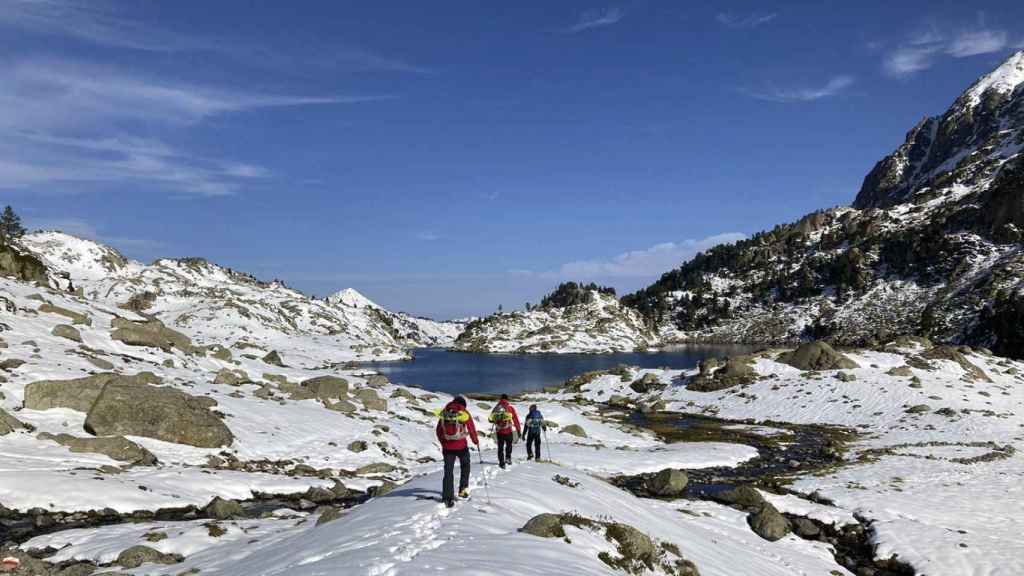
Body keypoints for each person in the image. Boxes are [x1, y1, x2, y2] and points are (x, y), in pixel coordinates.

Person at [435, 396, 479, 507]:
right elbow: (471, 428)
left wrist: (444, 443)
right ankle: (462, 490)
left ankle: (447, 498)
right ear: (463, 404)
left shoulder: (445, 412)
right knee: (465, 466)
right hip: (461, 446)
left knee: (448, 472)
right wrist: (475, 441)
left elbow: (438, 430)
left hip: (447, 448)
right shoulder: (463, 412)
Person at [488, 394, 521, 469]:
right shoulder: (510, 408)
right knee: (509, 445)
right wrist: (518, 430)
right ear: (507, 399)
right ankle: (508, 458)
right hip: (508, 430)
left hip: (499, 431)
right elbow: (515, 419)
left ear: (500, 399)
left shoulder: (496, 408)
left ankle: (501, 463)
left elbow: (490, 419)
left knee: (500, 448)